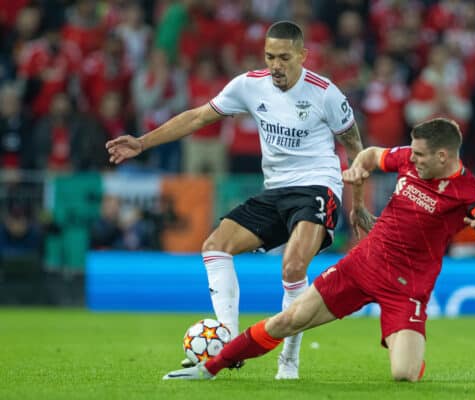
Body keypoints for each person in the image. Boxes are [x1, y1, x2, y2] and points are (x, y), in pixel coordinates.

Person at [105, 21, 364, 379]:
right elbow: (198, 116)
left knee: (292, 267)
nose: (276, 65)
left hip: (317, 187)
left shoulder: (326, 93)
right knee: (215, 245)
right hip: (275, 190)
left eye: (284, 58)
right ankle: (226, 339)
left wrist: (358, 203)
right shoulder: (249, 85)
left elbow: (355, 148)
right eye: (270, 56)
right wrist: (142, 142)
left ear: (303, 56)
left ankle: (289, 359)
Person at [162, 117, 475, 381]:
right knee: (289, 319)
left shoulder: (467, 190)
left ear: (443, 155)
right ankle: (211, 367)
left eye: (420, 155)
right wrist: (358, 167)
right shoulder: (408, 159)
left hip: (407, 288)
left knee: (403, 374)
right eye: (412, 152)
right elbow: (374, 155)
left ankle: (404, 343)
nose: (413, 159)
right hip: (362, 266)